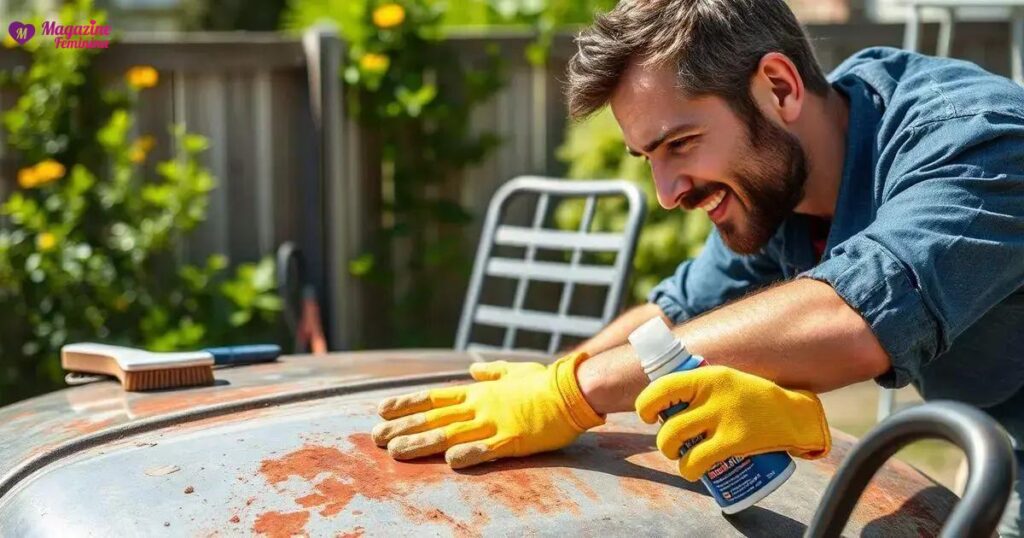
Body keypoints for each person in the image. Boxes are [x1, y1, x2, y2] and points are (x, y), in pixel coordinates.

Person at [371, 0, 1024, 533]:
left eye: (679, 144)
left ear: (778, 87)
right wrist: (549, 384)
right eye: (646, 157)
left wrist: (576, 395)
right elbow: (675, 319)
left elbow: (853, 315)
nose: (666, 191)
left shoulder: (978, 140)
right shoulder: (780, 180)